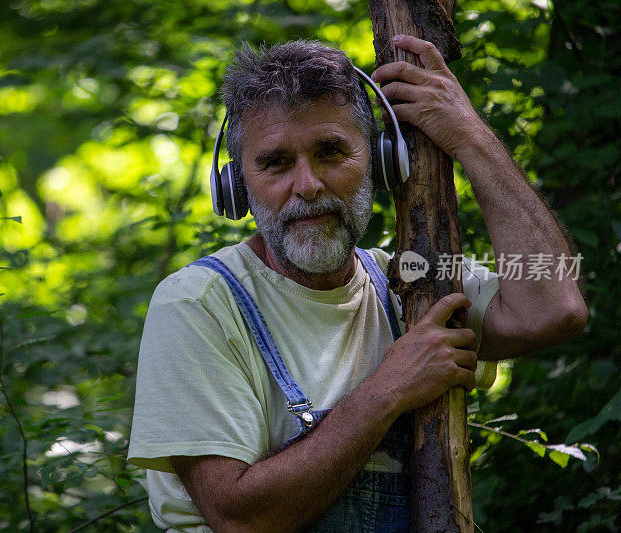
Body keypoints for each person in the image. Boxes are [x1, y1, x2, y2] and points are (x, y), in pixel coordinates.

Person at [127, 36, 587, 532]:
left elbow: (555, 308)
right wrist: (388, 390)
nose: (308, 185)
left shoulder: (409, 280)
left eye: (330, 152)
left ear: (382, 160)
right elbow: (239, 519)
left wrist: (469, 136)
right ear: (237, 184)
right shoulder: (200, 305)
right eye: (276, 163)